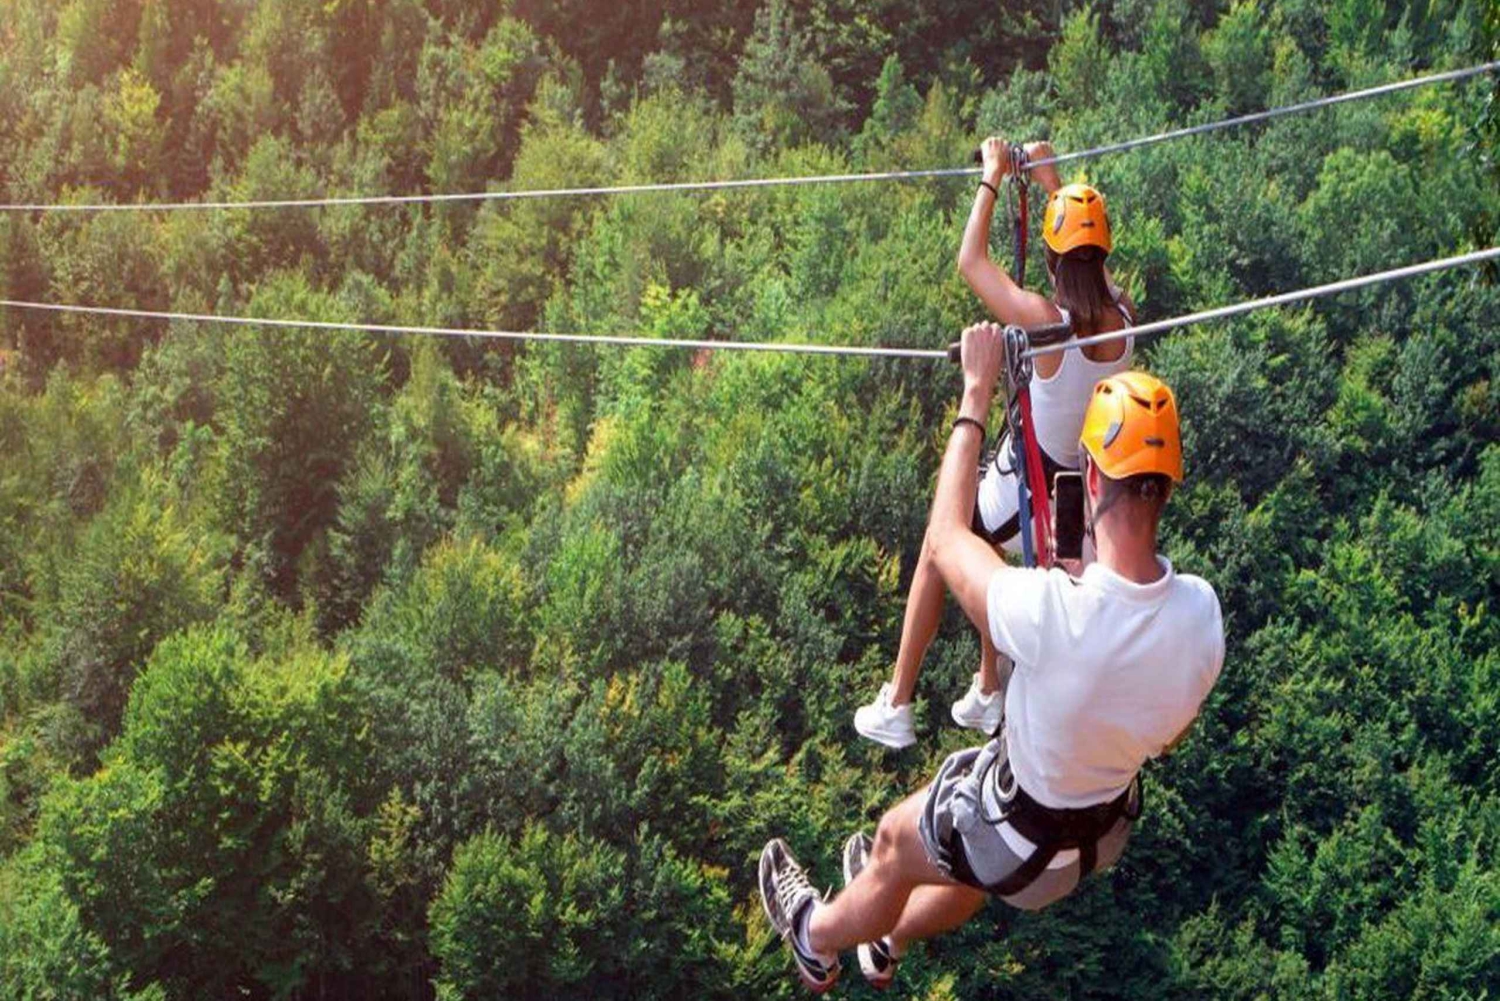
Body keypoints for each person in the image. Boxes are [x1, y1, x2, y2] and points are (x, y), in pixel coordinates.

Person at [760, 333, 1224, 993]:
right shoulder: (1202, 616)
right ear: (1169, 486)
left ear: (1091, 476)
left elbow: (948, 538)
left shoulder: (1052, 612)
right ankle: (888, 933)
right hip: (1094, 836)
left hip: (1019, 834)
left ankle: (815, 936)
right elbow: (1167, 732)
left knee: (896, 840)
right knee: (967, 862)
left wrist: (975, 394)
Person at [854, 138, 1141, 749]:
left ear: (1050, 256)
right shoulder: (1127, 318)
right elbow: (1092, 268)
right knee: (991, 556)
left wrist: (990, 179)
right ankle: (988, 688)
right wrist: (1050, 181)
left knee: (942, 539)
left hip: (1028, 489)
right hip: (1072, 499)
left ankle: (898, 701)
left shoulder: (1044, 322)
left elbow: (971, 262)